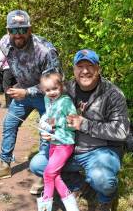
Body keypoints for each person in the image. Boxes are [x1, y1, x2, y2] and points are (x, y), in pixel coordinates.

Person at [30, 49, 130, 211]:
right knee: (37, 165)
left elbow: (121, 131)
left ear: (98, 69)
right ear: (74, 70)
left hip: (100, 151)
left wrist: (85, 124)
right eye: (80, 66)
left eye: (90, 66)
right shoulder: (64, 88)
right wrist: (48, 128)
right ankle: (79, 186)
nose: (85, 71)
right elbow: (49, 111)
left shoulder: (113, 94)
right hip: (68, 148)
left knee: (102, 178)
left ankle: (106, 198)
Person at [0, 10, 61, 190]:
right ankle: (4, 166)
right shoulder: (3, 42)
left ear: (30, 29)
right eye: (13, 30)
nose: (18, 35)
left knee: (46, 131)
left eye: (23, 30)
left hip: (46, 96)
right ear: (8, 30)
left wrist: (27, 92)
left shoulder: (46, 51)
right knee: (9, 123)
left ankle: (44, 173)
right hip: (23, 91)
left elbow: (55, 82)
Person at [37, 71, 79, 211]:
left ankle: (46, 205)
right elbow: (49, 116)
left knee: (48, 174)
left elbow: (73, 125)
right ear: (43, 90)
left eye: (54, 88)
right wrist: (44, 124)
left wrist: (57, 128)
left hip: (64, 143)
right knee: (54, 175)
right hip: (53, 143)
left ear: (61, 86)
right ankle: (71, 205)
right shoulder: (46, 99)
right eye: (47, 90)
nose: (51, 92)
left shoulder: (66, 101)